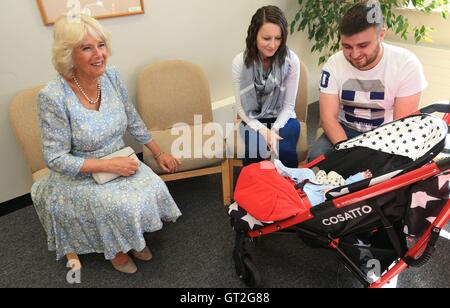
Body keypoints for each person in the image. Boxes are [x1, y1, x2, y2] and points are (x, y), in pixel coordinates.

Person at [31, 14, 182, 274]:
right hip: (79, 173)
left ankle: (132, 239)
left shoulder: (110, 76)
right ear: (69, 55)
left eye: (100, 45)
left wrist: (159, 153)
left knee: (152, 185)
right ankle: (117, 252)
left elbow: (132, 118)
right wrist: (107, 164)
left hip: (119, 158)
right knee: (117, 205)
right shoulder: (53, 97)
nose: (99, 54)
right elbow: (55, 159)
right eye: (87, 48)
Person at [308, 1, 428, 162]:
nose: (355, 54)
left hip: (384, 135)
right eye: (347, 47)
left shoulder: (406, 65)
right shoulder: (334, 64)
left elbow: (401, 127)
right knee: (315, 161)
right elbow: (328, 119)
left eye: (363, 45)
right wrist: (347, 151)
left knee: (387, 173)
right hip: (344, 131)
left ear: (381, 35)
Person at [232, 5, 301, 168]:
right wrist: (263, 131)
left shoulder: (291, 61)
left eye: (278, 38)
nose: (272, 45)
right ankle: (256, 191)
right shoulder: (240, 63)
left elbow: (289, 106)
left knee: (284, 150)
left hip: (284, 118)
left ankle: (289, 191)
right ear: (254, 35)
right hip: (252, 119)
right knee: (256, 151)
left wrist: (274, 130)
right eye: (266, 38)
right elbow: (241, 109)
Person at [274, 160, 372, 206]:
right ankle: (284, 171)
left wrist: (361, 177)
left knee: (309, 175)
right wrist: (360, 176)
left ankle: (285, 171)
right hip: (316, 187)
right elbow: (348, 184)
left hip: (317, 197)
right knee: (308, 173)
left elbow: (348, 186)